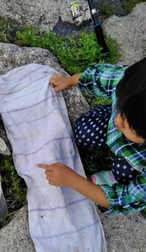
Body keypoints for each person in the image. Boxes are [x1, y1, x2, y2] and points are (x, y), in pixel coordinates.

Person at [37, 58, 146, 215]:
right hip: (125, 129)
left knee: (124, 172)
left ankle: (114, 178)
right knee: (84, 131)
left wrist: (73, 180)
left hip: (134, 160)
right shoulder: (134, 85)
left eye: (131, 127)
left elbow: (125, 199)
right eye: (121, 110)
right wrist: (69, 81)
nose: (117, 121)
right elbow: (99, 77)